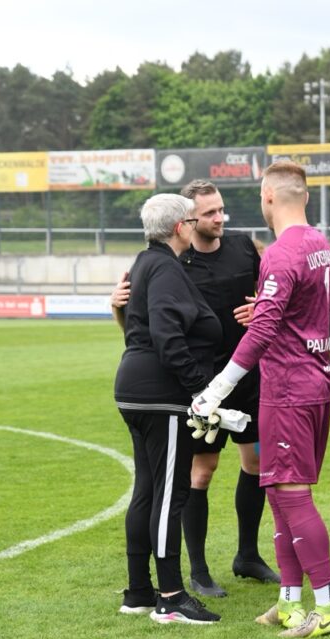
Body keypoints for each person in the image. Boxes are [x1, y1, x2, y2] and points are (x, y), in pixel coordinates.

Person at [188, 161, 330, 638]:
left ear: (269, 197)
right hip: (316, 383)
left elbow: (261, 331)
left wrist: (216, 389)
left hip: (287, 389)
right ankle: (289, 603)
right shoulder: (321, 244)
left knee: (293, 495)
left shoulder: (280, 254)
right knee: (279, 493)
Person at [111, 180, 279, 599]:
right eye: (209, 213)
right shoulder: (170, 262)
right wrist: (118, 307)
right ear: (187, 222)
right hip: (196, 381)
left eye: (222, 210)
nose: (219, 218)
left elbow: (272, 295)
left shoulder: (244, 248)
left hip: (244, 373)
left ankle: (247, 555)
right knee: (197, 473)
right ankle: (196, 572)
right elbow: (148, 329)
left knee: (256, 463)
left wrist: (260, 308)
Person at [114, 193, 222, 624]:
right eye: (194, 220)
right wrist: (201, 389)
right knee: (170, 495)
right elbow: (165, 331)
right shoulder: (165, 267)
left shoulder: (145, 262)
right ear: (180, 227)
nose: (198, 226)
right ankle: (171, 596)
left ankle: (139, 590)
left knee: (147, 490)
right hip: (161, 393)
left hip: (136, 386)